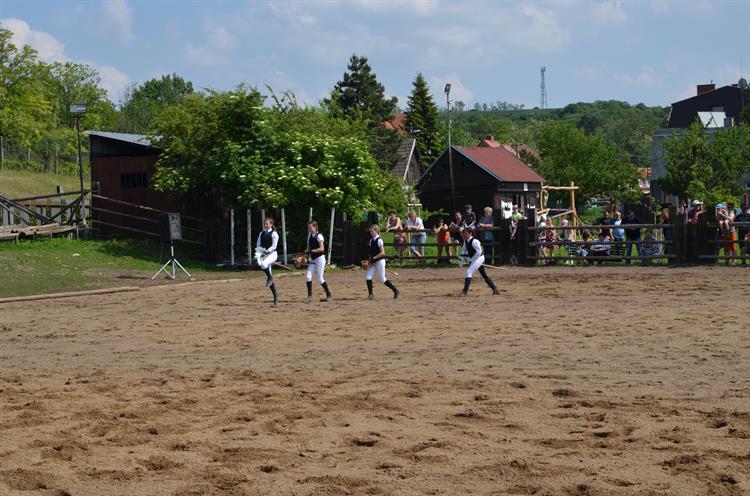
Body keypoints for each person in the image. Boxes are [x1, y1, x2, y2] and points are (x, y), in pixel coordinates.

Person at [459, 226, 499, 296]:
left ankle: (464, 292)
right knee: (484, 275)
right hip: (475, 259)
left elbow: (479, 252)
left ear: (470, 233)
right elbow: (463, 251)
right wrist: (462, 261)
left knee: (469, 272)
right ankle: (495, 289)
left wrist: (472, 260)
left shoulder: (474, 241)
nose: (464, 235)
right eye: (464, 233)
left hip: (479, 258)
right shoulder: (466, 241)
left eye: (466, 233)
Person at [364, 225, 399, 300]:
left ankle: (395, 290)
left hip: (380, 261)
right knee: (368, 277)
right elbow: (371, 253)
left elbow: (383, 253)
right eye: (370, 231)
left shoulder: (379, 240)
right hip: (374, 262)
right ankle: (371, 294)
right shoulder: (371, 241)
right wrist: (368, 261)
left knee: (382, 279)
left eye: (372, 231)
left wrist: (374, 259)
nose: (371, 233)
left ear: (376, 231)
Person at [305, 220, 332, 303]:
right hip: (313, 260)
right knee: (308, 277)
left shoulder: (319, 236)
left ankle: (329, 294)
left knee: (320, 278)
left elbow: (322, 249)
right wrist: (308, 250)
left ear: (315, 227)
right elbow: (311, 248)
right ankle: (309, 296)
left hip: (320, 259)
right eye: (308, 228)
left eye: (310, 227)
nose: (309, 229)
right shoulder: (310, 236)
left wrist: (312, 251)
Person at [256, 217, 279, 305]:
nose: (265, 225)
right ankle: (275, 295)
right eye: (264, 224)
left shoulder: (274, 234)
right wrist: (259, 252)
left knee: (263, 264)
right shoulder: (261, 233)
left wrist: (267, 250)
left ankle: (270, 278)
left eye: (267, 224)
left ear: (271, 225)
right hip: (264, 255)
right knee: (267, 273)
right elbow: (258, 244)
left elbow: (274, 246)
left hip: (272, 254)